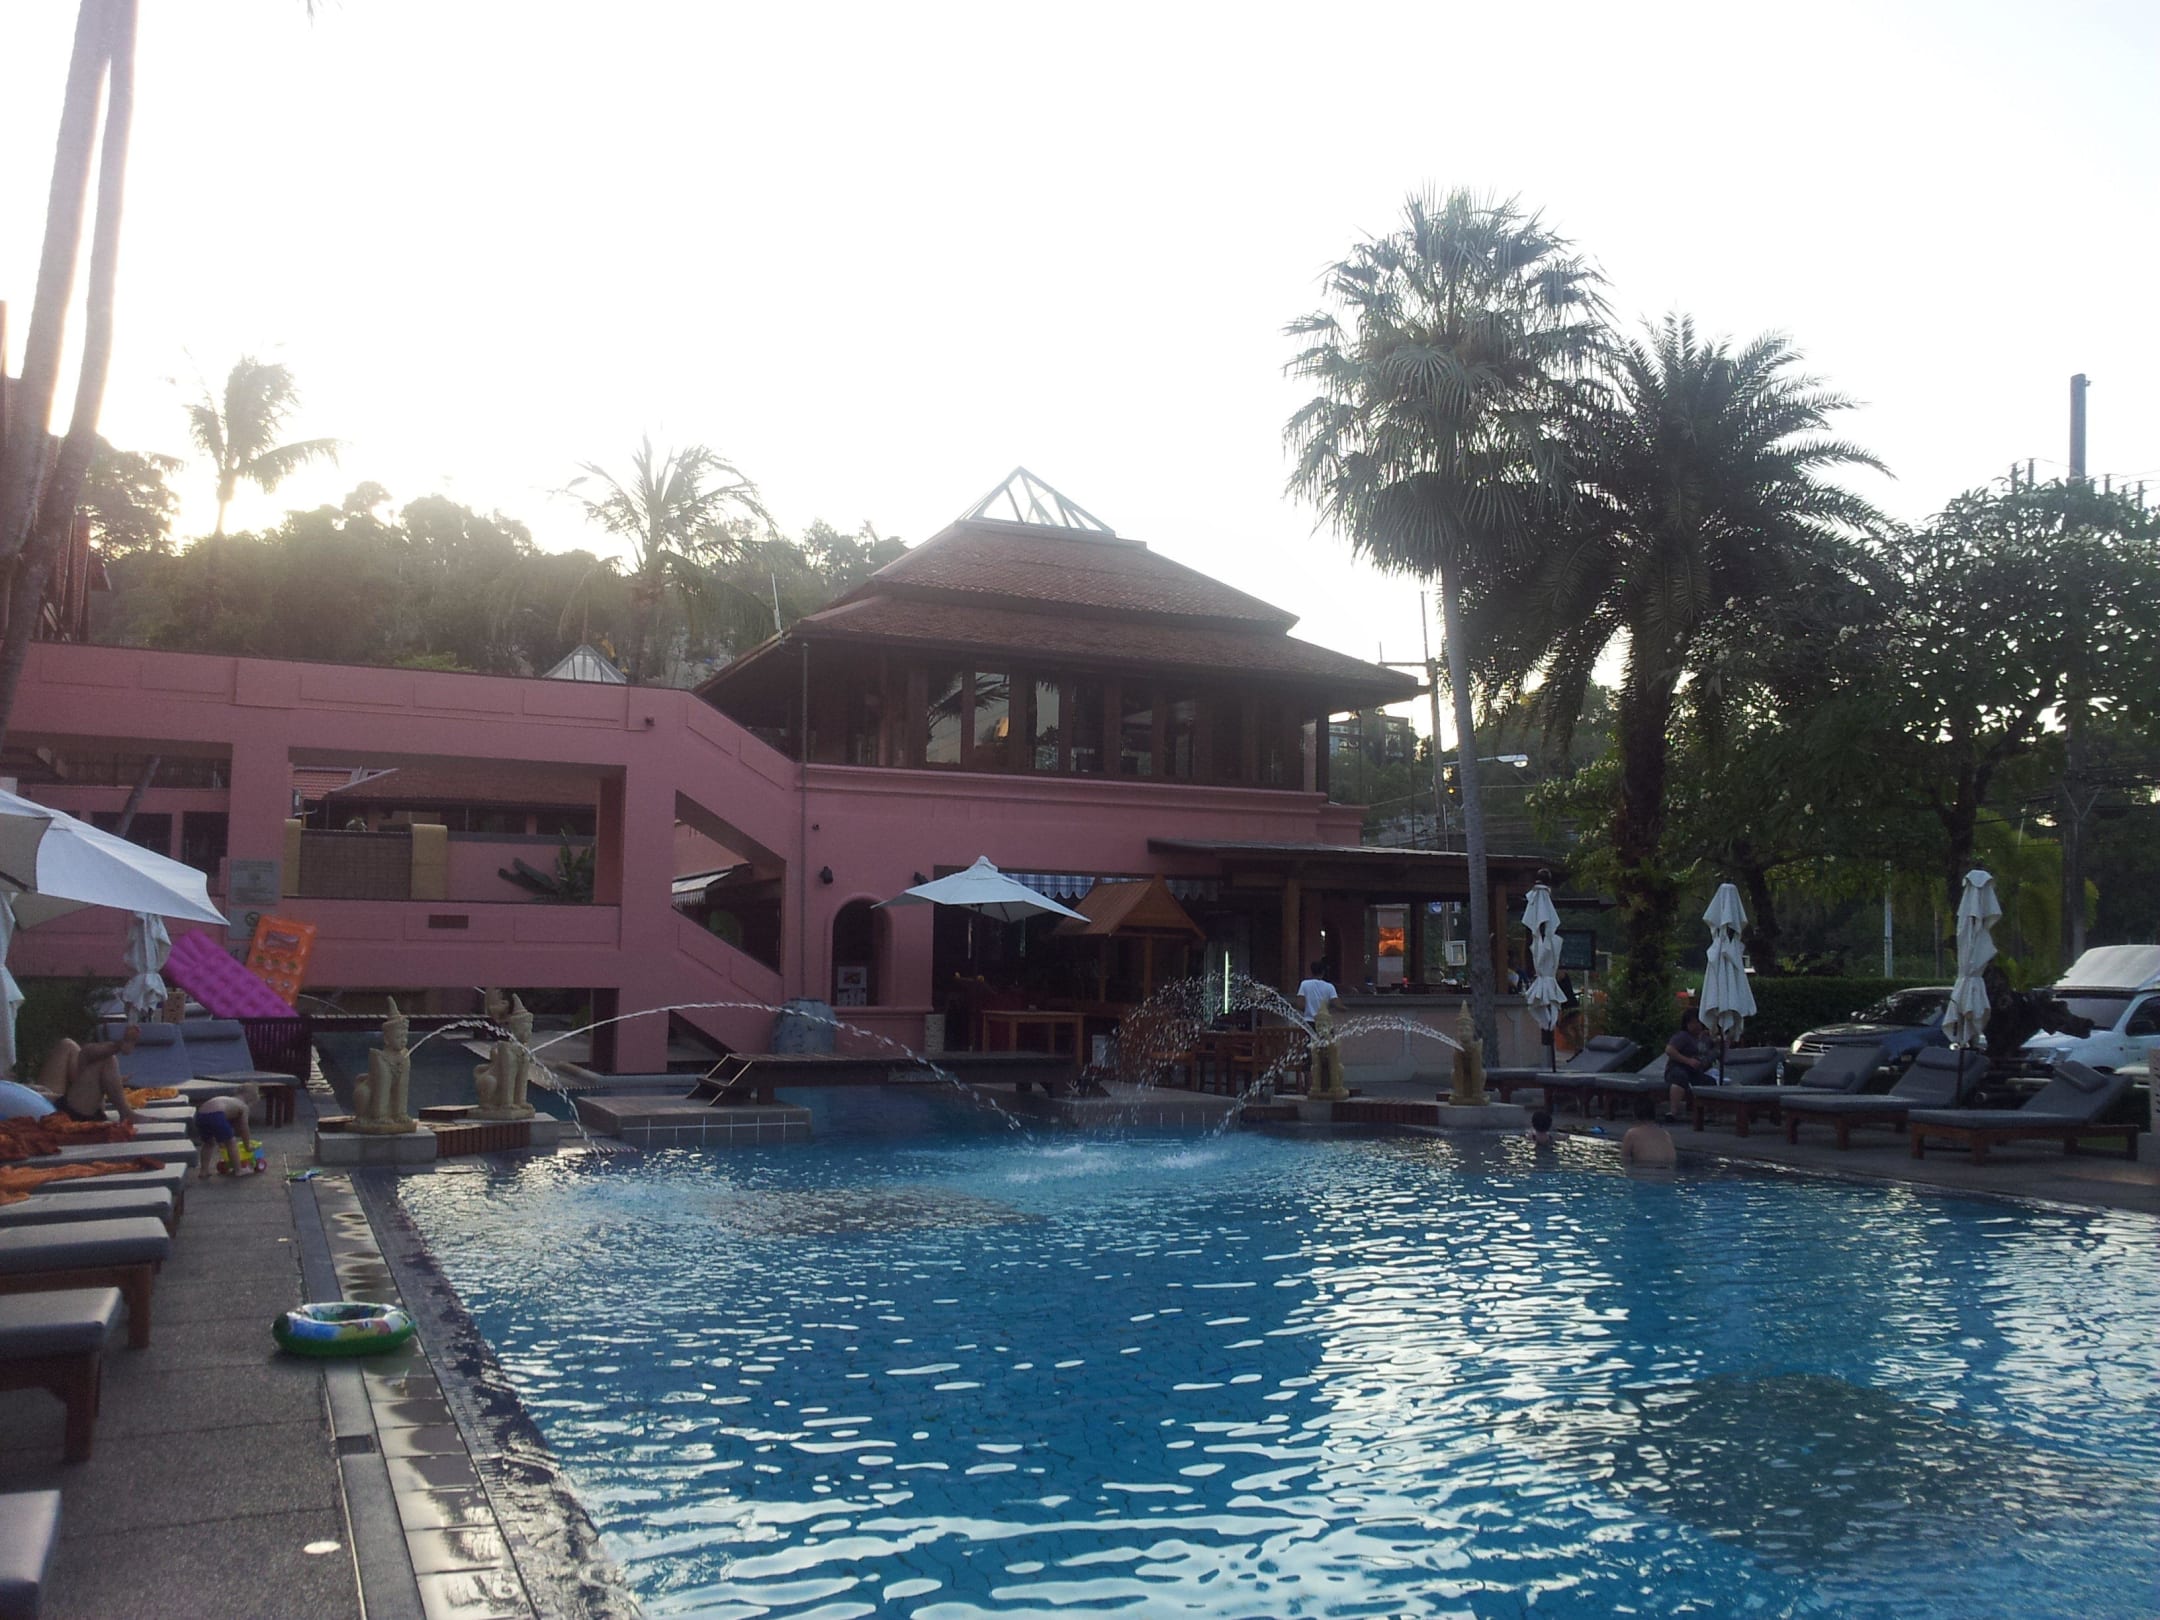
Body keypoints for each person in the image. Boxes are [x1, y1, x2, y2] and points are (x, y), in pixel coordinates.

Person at [35, 1025, 141, 1124]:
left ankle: (116, 1048)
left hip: (54, 1102)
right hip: (64, 1113)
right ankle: (126, 1113)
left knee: (67, 1045)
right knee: (106, 1060)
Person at [1294, 960, 1346, 1098]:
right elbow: (1337, 1004)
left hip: (1309, 1024)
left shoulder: (1304, 984)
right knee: (1330, 1055)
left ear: (1311, 971)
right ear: (1323, 972)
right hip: (1325, 1026)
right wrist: (1343, 1008)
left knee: (1309, 1055)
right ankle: (1328, 1084)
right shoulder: (1329, 987)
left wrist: (1309, 1010)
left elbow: (1299, 1003)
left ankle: (1309, 1085)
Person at [189, 1085, 262, 1181]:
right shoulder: (243, 1106)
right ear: (250, 1099)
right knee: (231, 1142)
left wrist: (221, 1141)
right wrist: (247, 1145)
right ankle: (239, 1170)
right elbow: (244, 1128)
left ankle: (204, 1171)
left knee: (208, 1143)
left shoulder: (229, 1100)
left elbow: (223, 1126)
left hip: (201, 1115)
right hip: (216, 1115)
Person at [1664, 1008, 1716, 1121]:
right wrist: (1688, 1061)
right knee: (1680, 1077)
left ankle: (1707, 1114)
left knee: (1710, 1082)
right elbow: (1669, 1050)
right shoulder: (1682, 1036)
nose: (1696, 1025)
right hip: (1677, 1067)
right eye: (1693, 1023)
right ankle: (1673, 1112)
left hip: (1695, 1071)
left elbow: (1716, 1049)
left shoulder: (1705, 1038)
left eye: (1698, 1022)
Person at [1620, 1095, 1676, 1166]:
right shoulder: (1665, 1134)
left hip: (1644, 1169)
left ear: (1634, 1114)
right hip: (1666, 1170)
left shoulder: (1632, 1134)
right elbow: (1672, 1159)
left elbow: (1624, 1159)